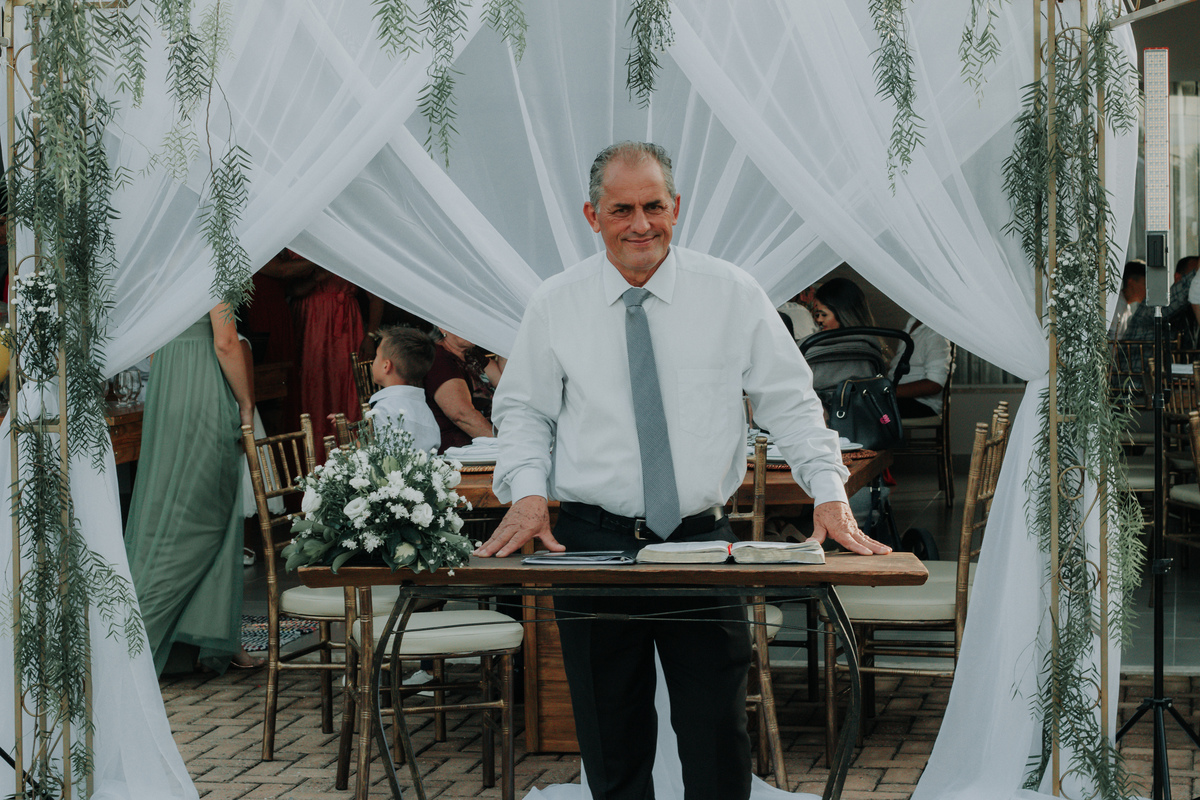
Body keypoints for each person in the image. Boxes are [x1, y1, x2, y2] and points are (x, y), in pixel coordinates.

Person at [474, 141, 889, 800]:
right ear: (593, 215)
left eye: (654, 206)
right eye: (622, 209)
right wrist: (527, 494)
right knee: (611, 742)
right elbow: (523, 413)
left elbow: (791, 404)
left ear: (676, 207)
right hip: (592, 545)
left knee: (718, 735)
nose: (640, 224)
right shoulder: (555, 303)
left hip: (703, 541)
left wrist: (829, 491)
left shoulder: (731, 293)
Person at [124, 303, 263, 675]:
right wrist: (246, 403)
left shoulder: (166, 255)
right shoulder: (216, 250)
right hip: (204, 388)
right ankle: (129, 650)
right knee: (203, 521)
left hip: (172, 383)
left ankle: (208, 640)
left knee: (174, 515)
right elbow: (226, 342)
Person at [293, 266, 365, 460]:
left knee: (346, 382)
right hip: (312, 322)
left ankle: (353, 456)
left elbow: (376, 295)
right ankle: (316, 460)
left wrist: (371, 334)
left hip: (345, 322)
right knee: (315, 386)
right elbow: (294, 290)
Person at [802, 277, 887, 393]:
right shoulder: (870, 344)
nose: (819, 320)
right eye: (817, 314)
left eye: (823, 314)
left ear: (842, 314)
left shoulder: (810, 345)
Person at [424, 328, 503, 451]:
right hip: (460, 454)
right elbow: (462, 415)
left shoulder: (472, 355)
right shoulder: (439, 358)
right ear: (442, 327)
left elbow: (508, 384)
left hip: (487, 447)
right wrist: (503, 445)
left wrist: (503, 342)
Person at [367, 325, 441, 453]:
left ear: (386, 366)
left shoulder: (384, 409)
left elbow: (384, 459)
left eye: (376, 356)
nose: (373, 361)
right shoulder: (425, 409)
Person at [891, 317, 952, 418]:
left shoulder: (936, 332)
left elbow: (935, 384)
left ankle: (883, 425)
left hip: (922, 403)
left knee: (877, 414)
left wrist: (888, 391)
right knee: (867, 406)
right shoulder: (911, 323)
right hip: (899, 399)